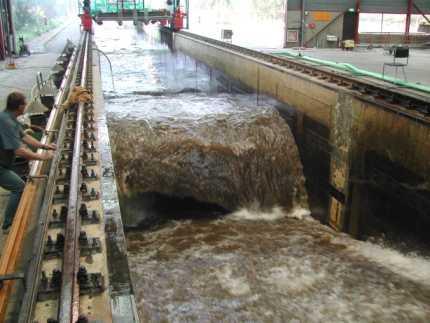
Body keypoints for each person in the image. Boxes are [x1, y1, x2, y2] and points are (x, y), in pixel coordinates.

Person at [0, 92, 55, 232]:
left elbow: (25, 137)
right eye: (25, 103)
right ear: (20, 106)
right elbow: (20, 151)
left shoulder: (9, 118)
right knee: (19, 187)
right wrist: (42, 157)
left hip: (5, 163)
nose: (26, 106)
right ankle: (8, 225)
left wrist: (44, 146)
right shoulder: (6, 123)